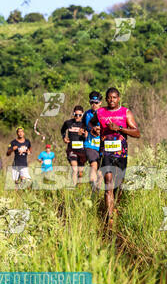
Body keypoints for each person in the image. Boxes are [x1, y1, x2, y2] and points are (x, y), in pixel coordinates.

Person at [90, 87, 140, 223]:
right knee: (108, 185)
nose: (111, 100)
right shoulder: (100, 112)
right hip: (106, 153)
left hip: (121, 155)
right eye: (109, 97)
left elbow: (137, 133)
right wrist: (93, 129)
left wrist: (119, 129)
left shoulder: (125, 113)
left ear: (118, 99)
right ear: (106, 99)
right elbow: (91, 123)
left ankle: (115, 208)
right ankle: (110, 218)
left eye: (114, 97)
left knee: (118, 186)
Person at [81, 91, 103, 192]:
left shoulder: (104, 113)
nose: (94, 105)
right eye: (91, 102)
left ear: (101, 102)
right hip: (90, 145)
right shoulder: (87, 114)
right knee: (93, 165)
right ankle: (93, 188)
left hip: (102, 146)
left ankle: (98, 191)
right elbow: (84, 126)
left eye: (96, 102)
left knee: (101, 171)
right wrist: (83, 130)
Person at [60, 106, 87, 185]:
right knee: (74, 169)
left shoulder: (85, 124)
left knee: (80, 172)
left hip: (82, 150)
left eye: (79, 115)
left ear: (82, 114)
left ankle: (79, 188)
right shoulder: (68, 123)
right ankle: (73, 187)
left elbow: (89, 135)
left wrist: (85, 135)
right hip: (71, 149)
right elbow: (62, 130)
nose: (77, 117)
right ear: (73, 114)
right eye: (76, 114)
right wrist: (64, 137)